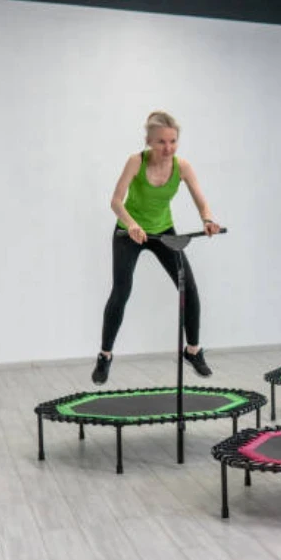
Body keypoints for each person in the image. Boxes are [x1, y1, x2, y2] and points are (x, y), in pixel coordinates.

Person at [92, 111, 222, 385]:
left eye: (173, 141)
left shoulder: (182, 166)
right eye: (161, 142)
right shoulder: (135, 162)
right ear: (149, 141)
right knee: (121, 291)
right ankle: (105, 356)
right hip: (129, 232)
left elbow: (201, 200)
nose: (168, 147)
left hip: (163, 231)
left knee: (189, 288)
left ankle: (193, 351)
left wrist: (208, 219)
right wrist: (131, 225)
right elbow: (116, 201)